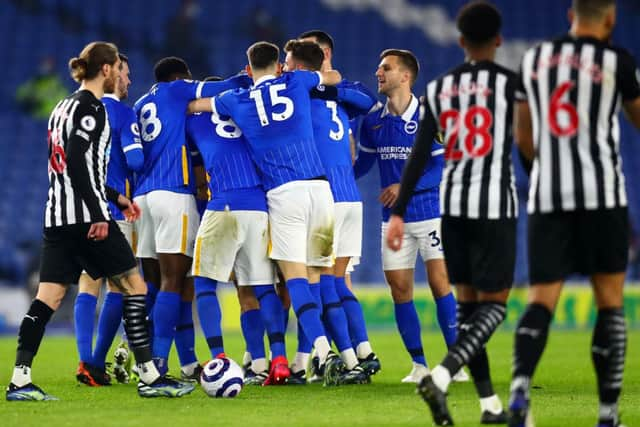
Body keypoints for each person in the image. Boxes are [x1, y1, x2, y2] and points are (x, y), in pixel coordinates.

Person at [6, 42, 194, 401]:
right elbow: (77, 160)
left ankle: (20, 379)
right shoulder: (92, 108)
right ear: (106, 70)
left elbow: (70, 167)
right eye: (117, 68)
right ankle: (150, 376)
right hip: (86, 220)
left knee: (48, 297)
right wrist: (98, 211)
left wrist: (115, 196)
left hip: (57, 217)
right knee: (135, 286)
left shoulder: (62, 106)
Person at [507, 1, 640, 426]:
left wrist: (544, 171)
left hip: (549, 197)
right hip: (603, 195)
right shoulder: (617, 60)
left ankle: (520, 390)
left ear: (570, 15)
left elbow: (522, 134)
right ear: (611, 19)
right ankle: (606, 413)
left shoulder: (534, 58)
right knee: (610, 304)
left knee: (541, 300)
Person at [188, 41, 349, 386]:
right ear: (279, 66)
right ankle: (305, 359)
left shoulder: (235, 100)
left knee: (293, 278)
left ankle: (324, 352)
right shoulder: (297, 82)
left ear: (249, 69)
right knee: (316, 277)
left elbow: (196, 105)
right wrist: (314, 75)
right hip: (321, 191)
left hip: (283, 193)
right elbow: (333, 77)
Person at [386, 2, 515, 424]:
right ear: (498, 39)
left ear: (460, 41)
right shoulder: (512, 84)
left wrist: (399, 210)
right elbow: (530, 144)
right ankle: (440, 375)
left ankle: (489, 405)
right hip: (494, 204)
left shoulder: (439, 89)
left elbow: (421, 153)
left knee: (465, 305)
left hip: (452, 208)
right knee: (494, 307)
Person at [133, 57, 250, 379]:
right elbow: (223, 88)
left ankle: (184, 361)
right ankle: (155, 361)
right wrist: (249, 75)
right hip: (173, 193)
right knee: (178, 280)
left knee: (160, 284)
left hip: (143, 198)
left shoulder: (141, 103)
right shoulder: (177, 90)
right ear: (181, 77)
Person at [353, 49, 460, 384]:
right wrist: (335, 176)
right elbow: (365, 164)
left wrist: (404, 188)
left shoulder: (431, 113)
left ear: (406, 76)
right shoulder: (373, 120)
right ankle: (419, 364)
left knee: (440, 283)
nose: (378, 72)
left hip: (430, 214)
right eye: (378, 66)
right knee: (399, 289)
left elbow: (441, 167)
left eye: (386, 68)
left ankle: (456, 362)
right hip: (392, 219)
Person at [185, 76, 289, 386]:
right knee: (263, 288)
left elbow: (197, 173)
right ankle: (273, 360)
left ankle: (218, 359)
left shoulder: (195, 123)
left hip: (224, 203)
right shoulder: (251, 115)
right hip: (259, 207)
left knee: (204, 284)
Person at [282, 39, 374, 385]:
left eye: (289, 62)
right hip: (349, 196)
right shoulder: (342, 97)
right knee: (331, 280)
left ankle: (335, 359)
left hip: (325, 195)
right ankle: (352, 354)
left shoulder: (300, 95)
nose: (285, 67)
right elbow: (367, 100)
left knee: (315, 281)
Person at [74, 53, 144, 386]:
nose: (129, 80)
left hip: (82, 210)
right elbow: (135, 161)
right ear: (112, 74)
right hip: (114, 211)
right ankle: (97, 361)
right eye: (125, 74)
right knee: (121, 287)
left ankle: (84, 360)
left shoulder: (82, 111)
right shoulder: (123, 113)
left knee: (88, 284)